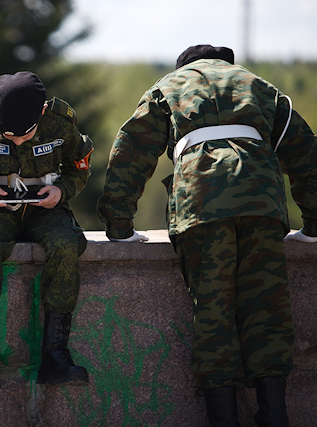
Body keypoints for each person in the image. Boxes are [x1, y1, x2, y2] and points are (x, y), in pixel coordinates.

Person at [97, 44, 317, 426]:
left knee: (214, 313)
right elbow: (305, 153)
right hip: (261, 200)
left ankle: (223, 418)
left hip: (202, 200)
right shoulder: (258, 85)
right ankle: (275, 415)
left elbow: (132, 151)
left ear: (185, 66)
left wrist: (119, 225)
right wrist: (313, 223)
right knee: (267, 309)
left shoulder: (170, 86)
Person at [0, 71, 93, 391]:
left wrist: (62, 191)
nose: (17, 141)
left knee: (65, 244)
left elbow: (80, 164)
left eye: (26, 133)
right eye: (8, 135)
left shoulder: (60, 121)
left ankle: (56, 354)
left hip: (46, 207)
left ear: (41, 112)